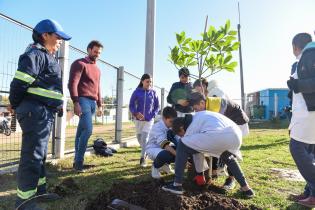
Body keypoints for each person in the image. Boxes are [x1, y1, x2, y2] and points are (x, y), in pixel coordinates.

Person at [9, 19, 71, 210]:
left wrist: (58, 104)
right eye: (58, 36)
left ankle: (40, 190)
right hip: (35, 111)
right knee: (32, 156)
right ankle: (25, 202)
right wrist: (14, 103)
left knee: (40, 155)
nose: (60, 41)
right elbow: (19, 83)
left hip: (44, 112)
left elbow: (48, 87)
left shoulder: (48, 57)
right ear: (45, 35)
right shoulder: (35, 54)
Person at [161, 111, 254, 198]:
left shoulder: (191, 127)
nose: (182, 136)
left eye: (180, 134)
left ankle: (176, 185)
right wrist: (200, 174)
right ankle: (247, 189)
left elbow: (196, 149)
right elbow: (198, 148)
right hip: (236, 134)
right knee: (228, 158)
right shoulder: (197, 117)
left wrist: (200, 173)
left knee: (182, 143)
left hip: (220, 134)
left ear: (181, 128)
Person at [189, 91, 249, 190]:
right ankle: (214, 171)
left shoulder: (214, 106)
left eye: (196, 109)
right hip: (229, 123)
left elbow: (217, 128)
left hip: (238, 123)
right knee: (216, 143)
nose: (196, 112)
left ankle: (231, 179)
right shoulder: (206, 104)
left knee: (229, 151)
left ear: (202, 103)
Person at [287, 33, 315, 208]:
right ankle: (309, 193)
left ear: (295, 46)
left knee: (296, 147)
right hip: (305, 113)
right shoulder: (306, 57)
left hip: (309, 114)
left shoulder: (309, 54)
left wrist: (297, 86)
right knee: (309, 151)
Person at [68, 40, 103, 172]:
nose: (97, 54)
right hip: (82, 100)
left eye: (99, 53)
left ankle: (76, 162)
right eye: (95, 51)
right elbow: (72, 84)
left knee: (80, 133)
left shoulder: (98, 70)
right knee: (88, 130)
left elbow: (98, 87)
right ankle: (79, 162)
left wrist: (100, 105)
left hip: (93, 102)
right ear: (88, 50)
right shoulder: (79, 63)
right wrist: (76, 102)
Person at [129, 74, 159, 167]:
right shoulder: (136, 92)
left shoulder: (154, 92)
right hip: (138, 120)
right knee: (139, 138)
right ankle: (147, 151)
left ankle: (142, 158)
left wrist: (152, 115)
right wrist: (136, 113)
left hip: (149, 120)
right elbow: (131, 105)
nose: (149, 83)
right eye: (147, 81)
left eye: (150, 82)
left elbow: (157, 107)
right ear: (142, 81)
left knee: (144, 138)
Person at [146, 107, 178, 178]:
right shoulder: (157, 127)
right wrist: (179, 156)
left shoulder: (171, 126)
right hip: (153, 149)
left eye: (174, 121)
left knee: (179, 149)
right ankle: (155, 167)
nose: (172, 124)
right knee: (166, 154)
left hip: (165, 148)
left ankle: (165, 165)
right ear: (164, 118)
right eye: (170, 121)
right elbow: (164, 145)